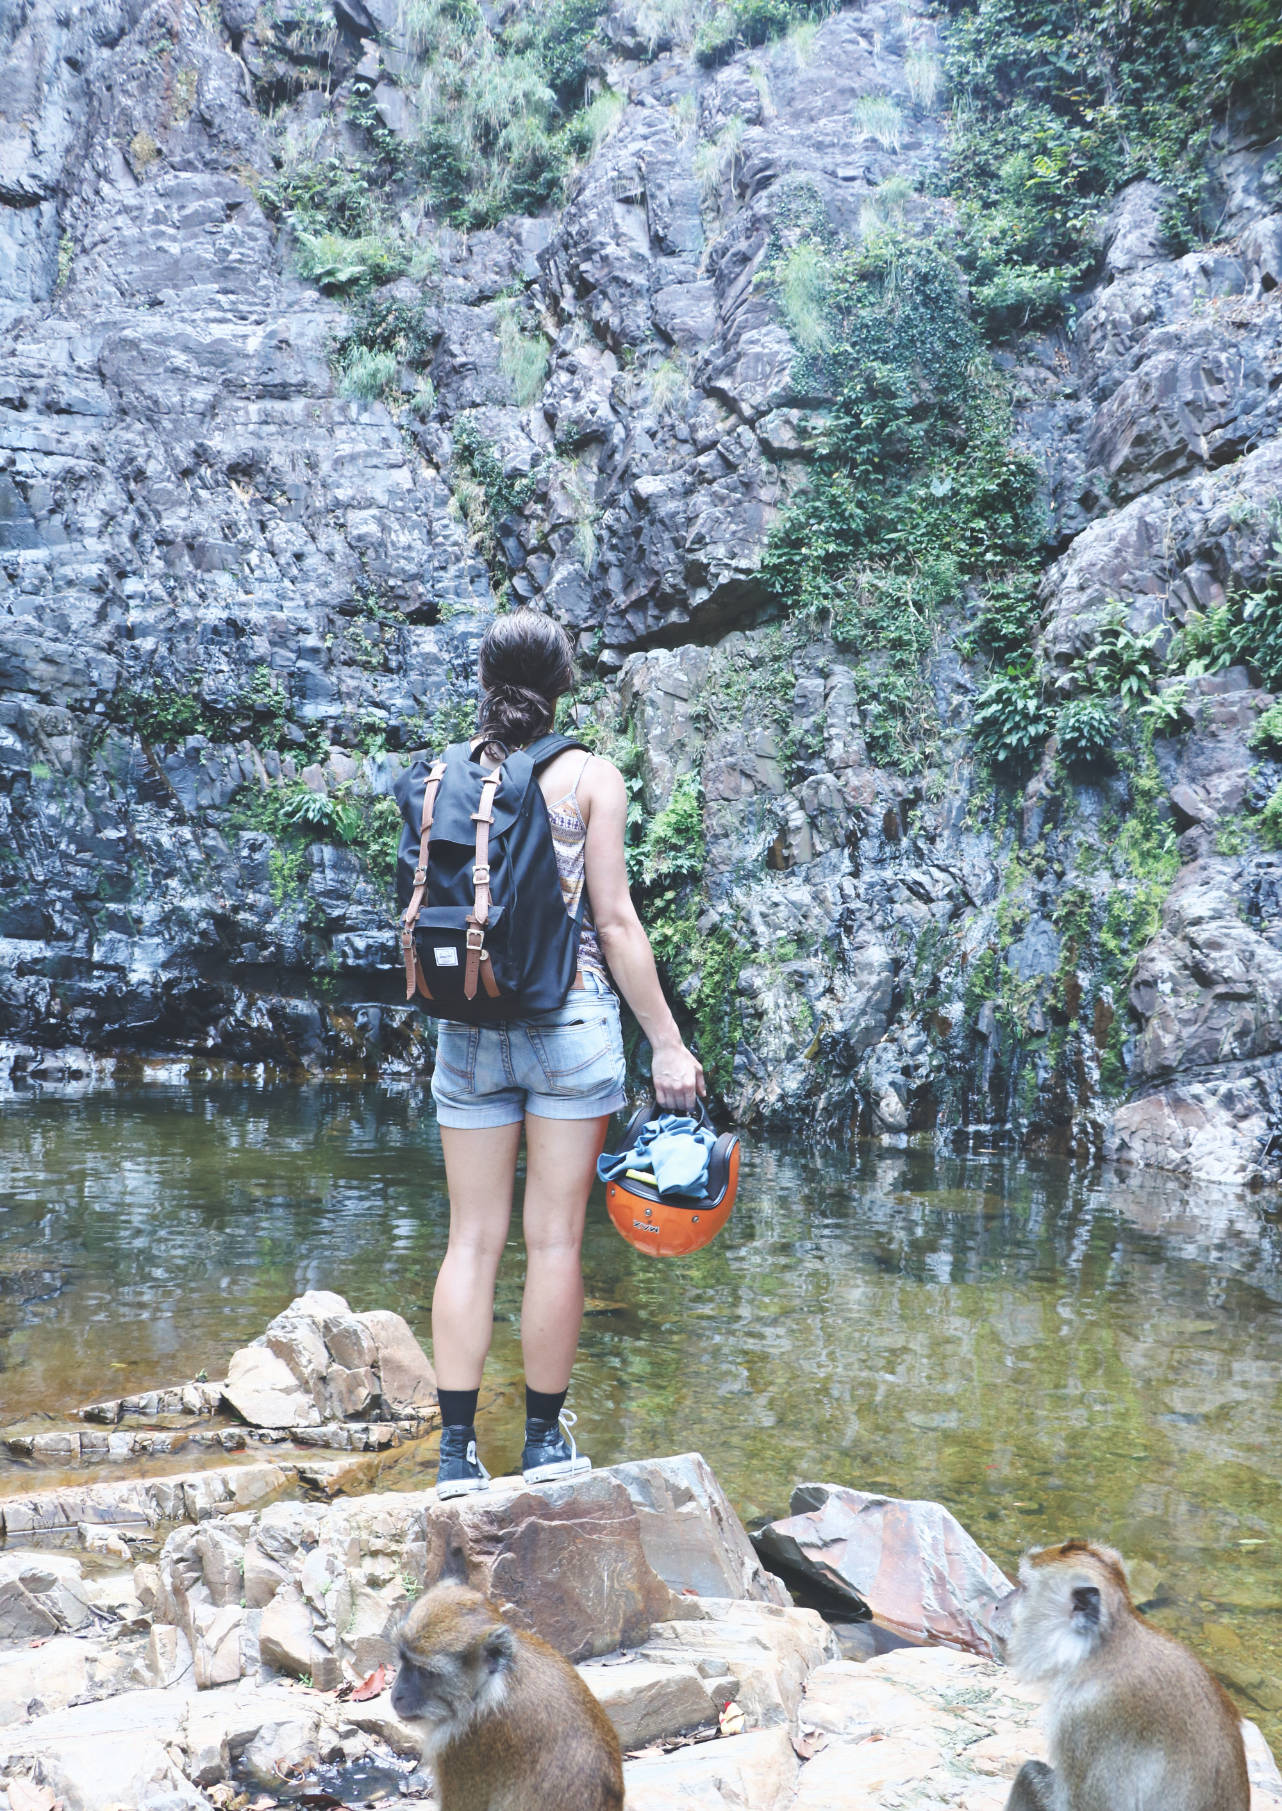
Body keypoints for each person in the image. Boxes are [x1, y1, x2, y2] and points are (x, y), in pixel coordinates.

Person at [428, 608, 704, 1497]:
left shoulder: (448, 774)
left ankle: (455, 1456)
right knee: (552, 1242)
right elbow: (615, 922)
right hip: (570, 1022)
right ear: (561, 688)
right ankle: (543, 1446)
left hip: (469, 1022)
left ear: (485, 681)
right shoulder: (590, 777)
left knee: (471, 1239)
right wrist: (667, 1042)